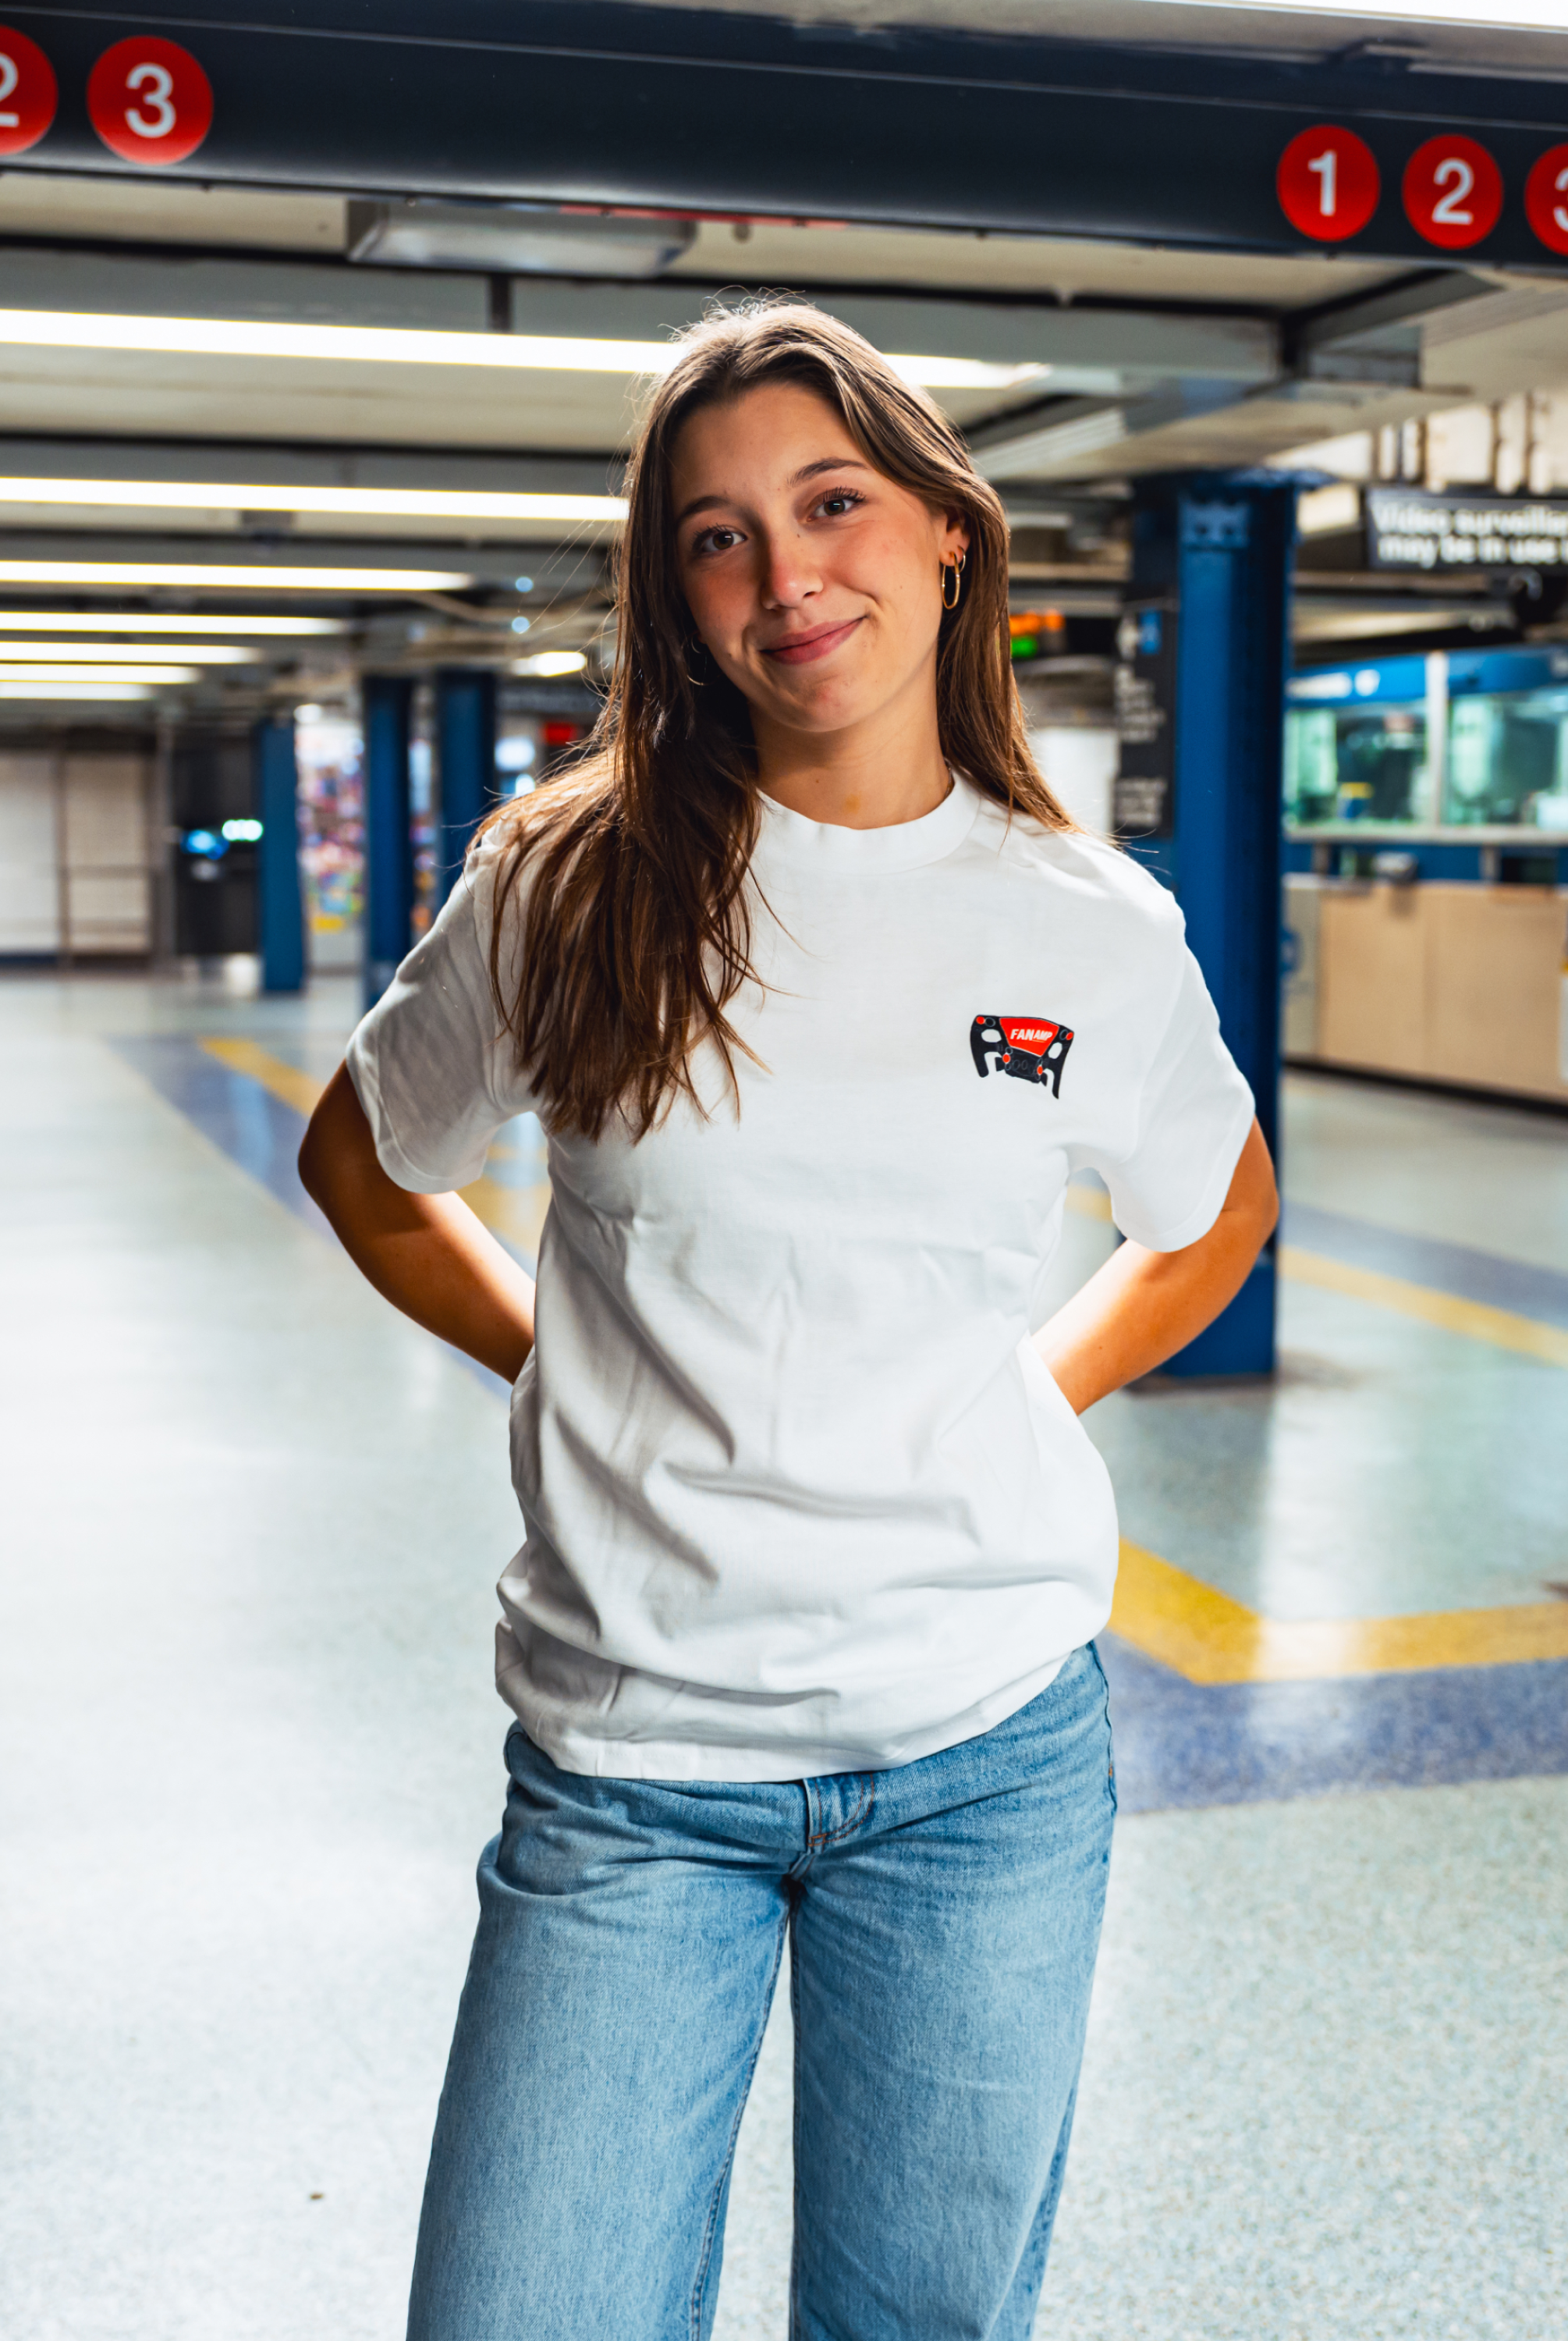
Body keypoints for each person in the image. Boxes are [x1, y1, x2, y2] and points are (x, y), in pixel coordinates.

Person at [300, 300, 1277, 2341]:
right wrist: (566, 1363)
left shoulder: (1084, 926)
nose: (783, 571)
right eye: (715, 536)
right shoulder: (569, 889)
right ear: (677, 601)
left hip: (983, 1753)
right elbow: (369, 1168)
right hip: (631, 1762)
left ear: (944, 532)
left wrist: (1025, 1388)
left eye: (830, 502)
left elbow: (1216, 1215)